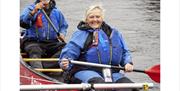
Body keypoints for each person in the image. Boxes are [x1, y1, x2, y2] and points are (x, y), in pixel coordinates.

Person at [59, 5, 138, 91]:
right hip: (86, 71)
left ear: (102, 18)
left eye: (98, 17)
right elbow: (67, 55)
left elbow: (124, 52)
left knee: (129, 87)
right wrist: (65, 64)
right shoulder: (80, 35)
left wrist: (127, 63)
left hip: (111, 72)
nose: (95, 20)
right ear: (86, 19)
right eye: (91, 17)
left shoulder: (114, 33)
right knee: (100, 86)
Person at [20, 0, 68, 68]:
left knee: (67, 49)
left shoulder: (57, 12)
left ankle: (45, 66)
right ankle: (38, 69)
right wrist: (33, 12)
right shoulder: (30, 9)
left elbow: (64, 26)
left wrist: (62, 33)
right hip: (33, 42)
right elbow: (23, 23)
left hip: (52, 43)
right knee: (34, 49)